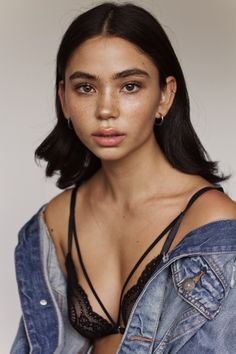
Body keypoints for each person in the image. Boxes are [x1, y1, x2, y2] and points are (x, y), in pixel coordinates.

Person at [11, 2, 236, 354]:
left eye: (129, 86)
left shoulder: (213, 225)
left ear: (165, 95)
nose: (105, 110)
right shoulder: (53, 223)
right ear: (64, 100)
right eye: (85, 87)